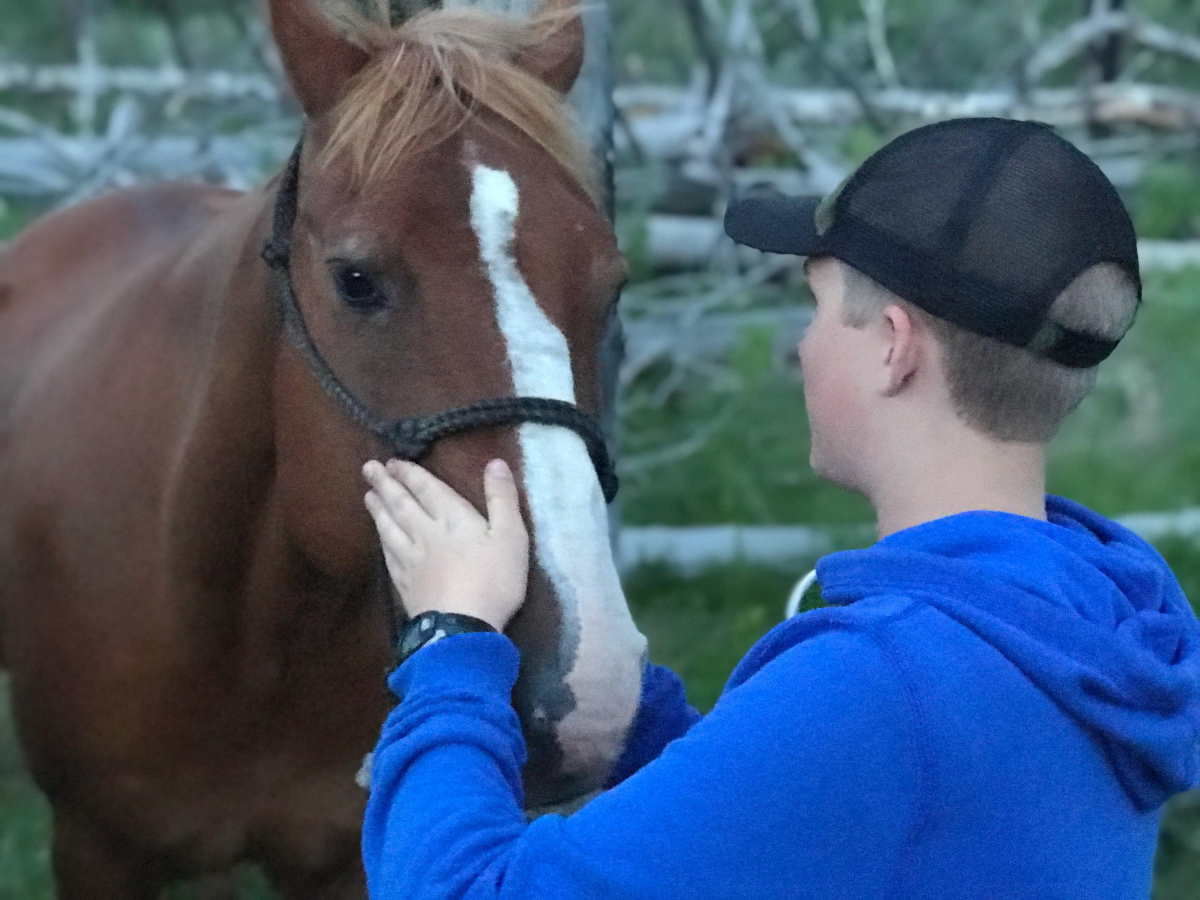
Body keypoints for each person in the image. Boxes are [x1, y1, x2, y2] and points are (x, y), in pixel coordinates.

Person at [358, 118, 1200, 899]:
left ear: (894, 349)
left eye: (817, 306)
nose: (801, 345)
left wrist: (451, 642)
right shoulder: (1087, 623)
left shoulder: (882, 683)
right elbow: (827, 822)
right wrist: (636, 709)